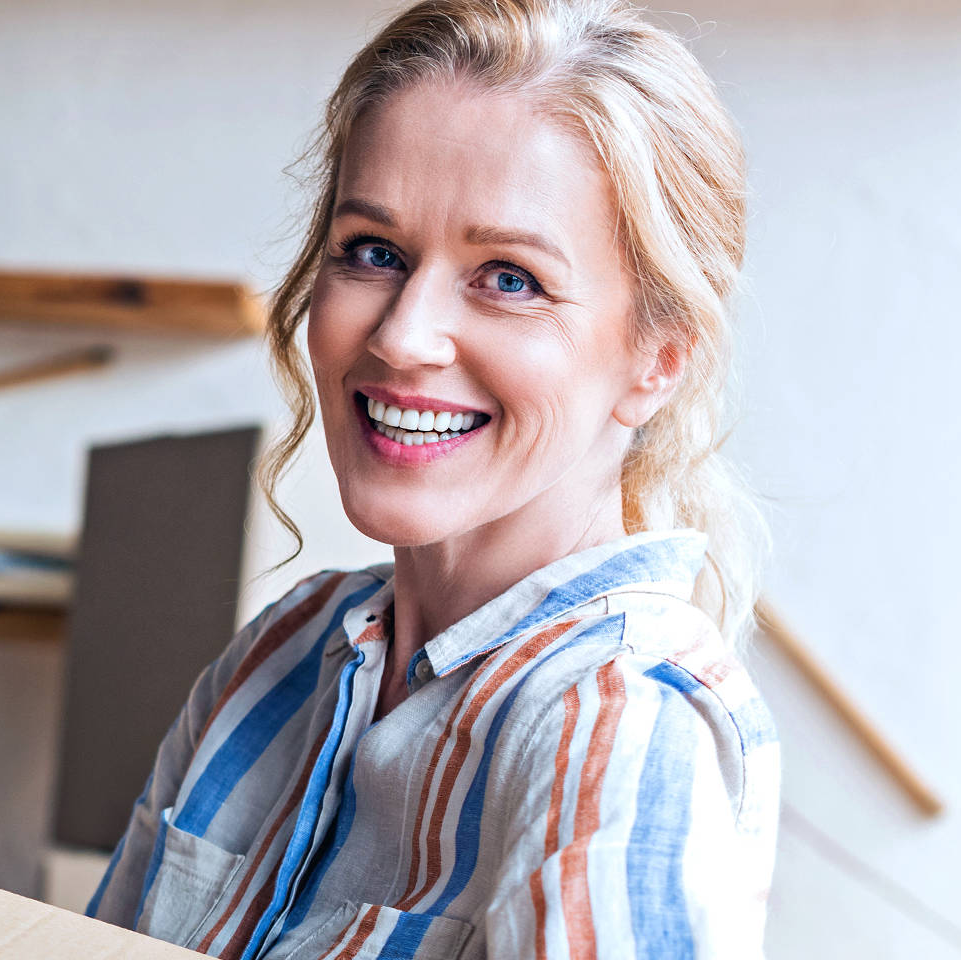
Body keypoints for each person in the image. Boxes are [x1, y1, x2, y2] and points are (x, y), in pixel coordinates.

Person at [87, 2, 777, 958]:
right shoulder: (276, 660)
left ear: (657, 360)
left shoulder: (620, 730)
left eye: (509, 277)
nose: (401, 336)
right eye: (375, 254)